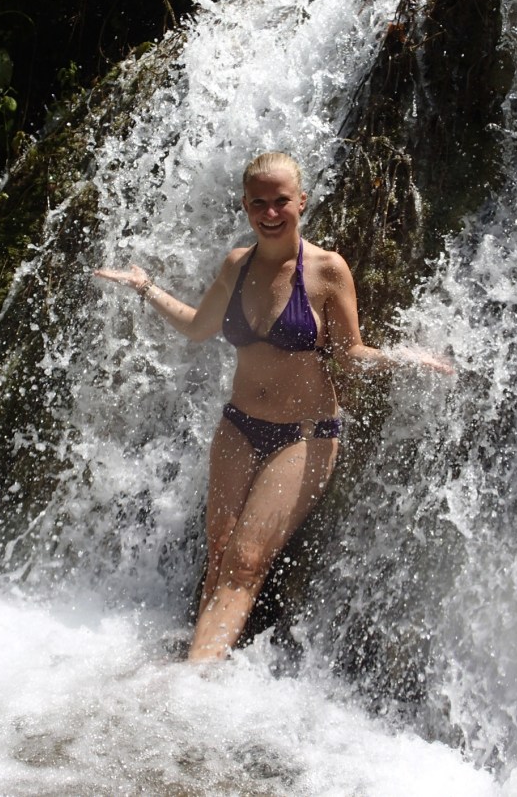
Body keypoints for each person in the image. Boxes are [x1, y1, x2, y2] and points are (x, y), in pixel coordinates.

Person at [94, 151, 452, 662]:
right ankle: (201, 664)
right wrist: (146, 287)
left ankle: (190, 685)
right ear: (245, 205)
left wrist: (402, 358)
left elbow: (350, 353)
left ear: (301, 201)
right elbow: (198, 326)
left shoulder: (328, 270)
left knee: (245, 562)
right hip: (238, 427)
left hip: (304, 436)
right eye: (258, 202)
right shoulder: (236, 265)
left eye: (280, 200)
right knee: (220, 550)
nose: (270, 212)